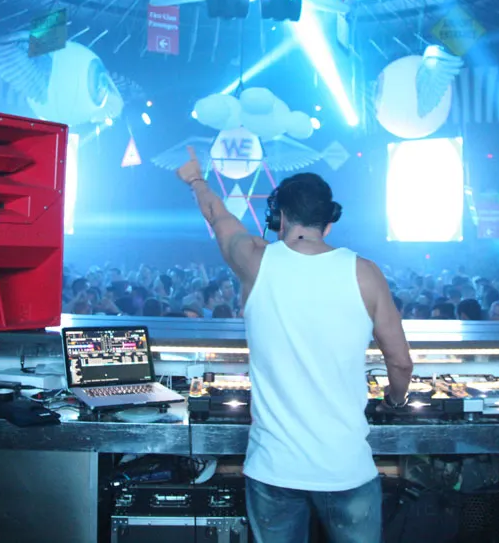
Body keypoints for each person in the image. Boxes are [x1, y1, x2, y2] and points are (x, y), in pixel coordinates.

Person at [177, 147, 412, 543]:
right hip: (346, 468)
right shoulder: (365, 273)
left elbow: (218, 215)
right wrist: (395, 399)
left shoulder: (255, 260)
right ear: (328, 223)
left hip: (274, 469)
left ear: (279, 217)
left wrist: (196, 180)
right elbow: (401, 362)